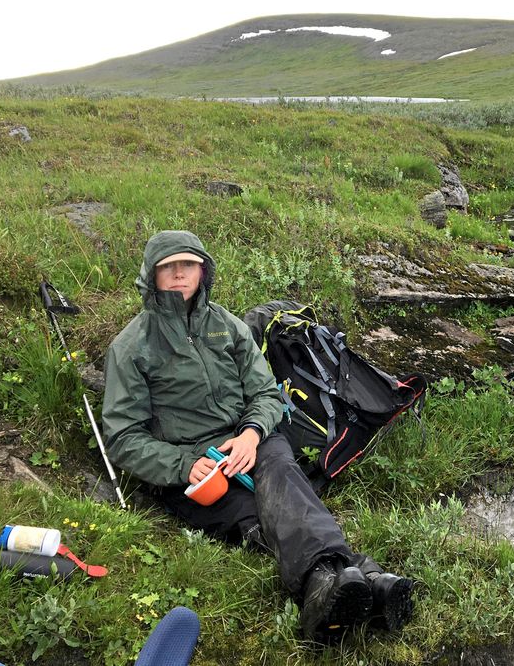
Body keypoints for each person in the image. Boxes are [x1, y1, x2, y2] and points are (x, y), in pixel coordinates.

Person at [101, 230, 414, 642]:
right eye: (168, 266)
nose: (179, 273)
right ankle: (361, 577)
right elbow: (123, 437)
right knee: (251, 516)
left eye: (188, 264)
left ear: (202, 270)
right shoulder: (131, 346)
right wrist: (184, 465)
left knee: (280, 476)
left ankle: (329, 589)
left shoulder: (227, 327)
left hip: (251, 442)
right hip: (195, 469)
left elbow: (267, 394)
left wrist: (250, 434)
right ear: (151, 275)